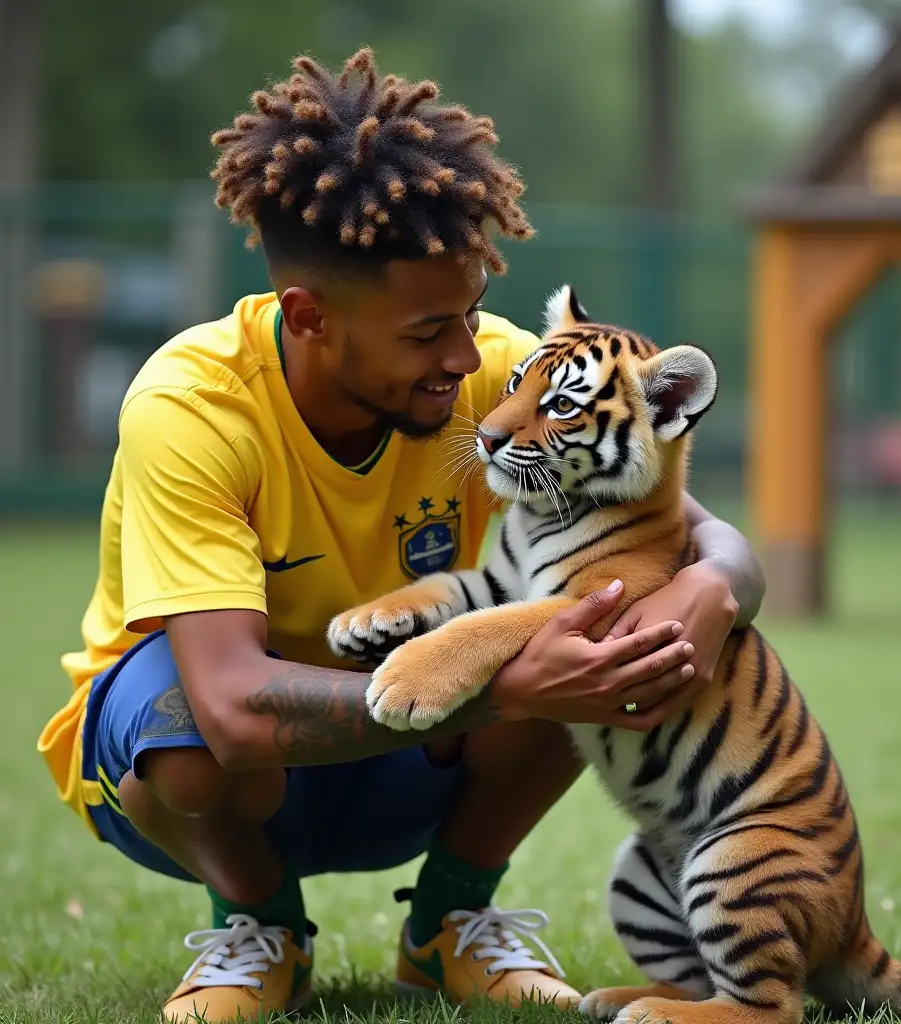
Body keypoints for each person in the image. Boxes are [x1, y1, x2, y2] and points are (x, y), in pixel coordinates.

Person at [37, 48, 766, 1023]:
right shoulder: (191, 404)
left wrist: (705, 599)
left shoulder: (500, 379)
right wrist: (504, 681)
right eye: (428, 332)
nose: (466, 356)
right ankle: (259, 928)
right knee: (187, 739)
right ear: (309, 317)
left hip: (409, 762)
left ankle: (448, 926)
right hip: (212, 776)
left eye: (470, 314)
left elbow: (719, 551)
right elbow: (232, 712)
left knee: (611, 626)